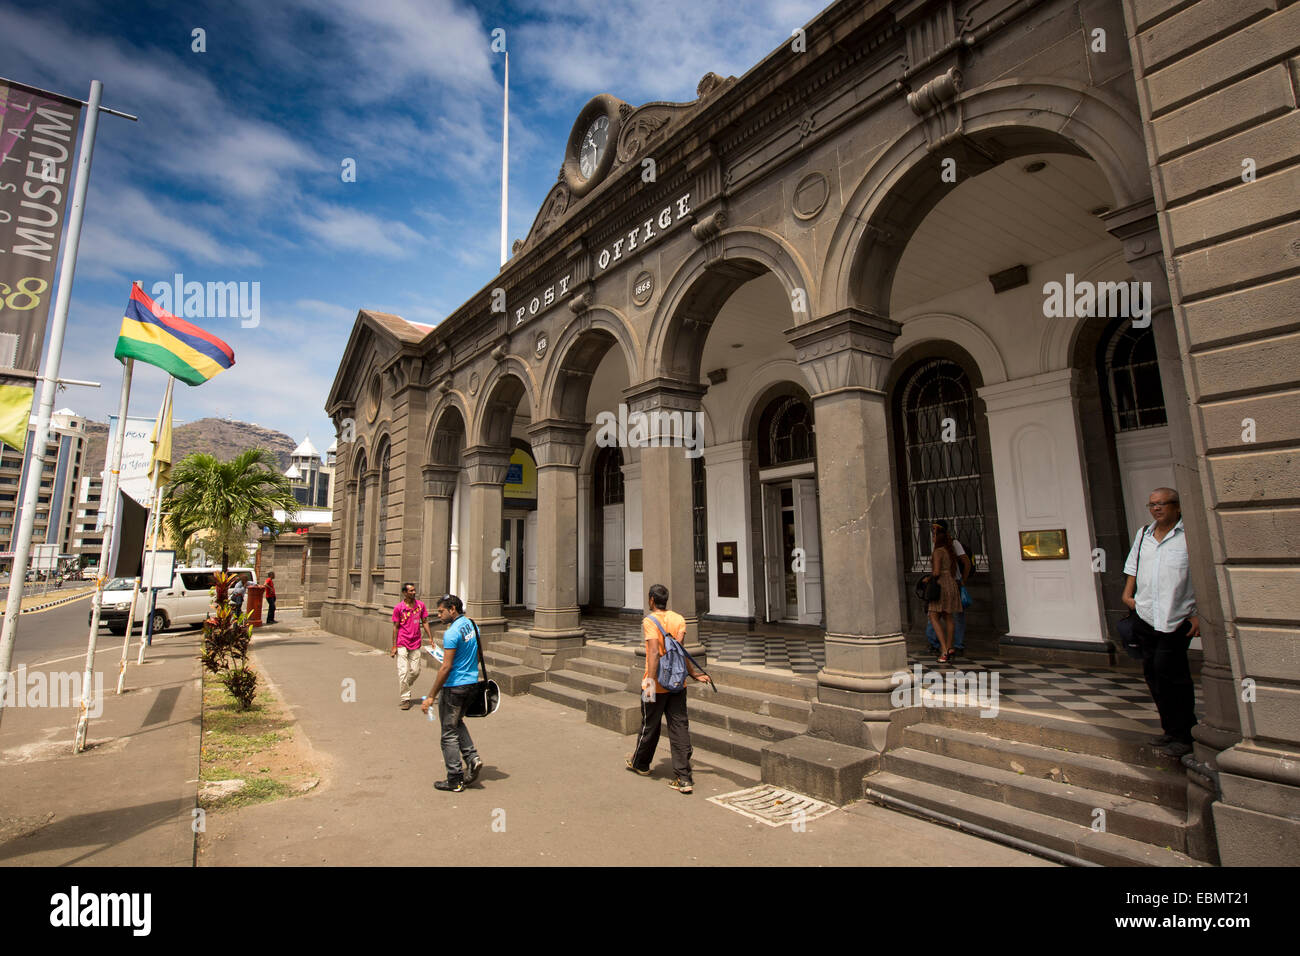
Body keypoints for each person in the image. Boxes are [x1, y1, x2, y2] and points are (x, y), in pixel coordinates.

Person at [1123, 487, 1199, 758]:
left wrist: (1198, 612)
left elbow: (1201, 574)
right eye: (1152, 504)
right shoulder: (1144, 534)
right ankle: (1169, 729)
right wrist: (1127, 594)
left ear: (1177, 507)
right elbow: (1133, 565)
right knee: (1153, 675)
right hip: (1146, 614)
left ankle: (1186, 733)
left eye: (1162, 504)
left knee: (1171, 674)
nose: (1156, 508)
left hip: (1175, 617)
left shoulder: (1189, 535)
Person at [625, 584, 713, 794]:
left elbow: (654, 653)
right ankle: (684, 777)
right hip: (676, 683)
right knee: (679, 726)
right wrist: (693, 674)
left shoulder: (649, 621)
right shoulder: (679, 619)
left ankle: (640, 763)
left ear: (651, 600)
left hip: (657, 682)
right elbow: (679, 652)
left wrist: (650, 684)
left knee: (649, 725)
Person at [419, 594, 483, 792]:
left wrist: (431, 695)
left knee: (448, 733)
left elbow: (446, 667)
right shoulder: (472, 625)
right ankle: (472, 758)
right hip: (472, 683)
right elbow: (477, 655)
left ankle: (455, 778)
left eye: (441, 611)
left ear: (452, 609)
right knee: (457, 722)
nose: (439, 615)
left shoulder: (451, 633)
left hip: (455, 687)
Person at [925, 520, 972, 654]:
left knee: (938, 615)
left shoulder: (947, 547)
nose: (933, 535)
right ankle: (945, 645)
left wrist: (963, 580)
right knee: (947, 616)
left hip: (945, 583)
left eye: (934, 532)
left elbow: (965, 562)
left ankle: (950, 646)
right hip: (951, 582)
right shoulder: (943, 547)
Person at [391, 582, 434, 710]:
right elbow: (396, 627)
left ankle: (405, 685)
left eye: (414, 590)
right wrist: (394, 646)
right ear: (404, 593)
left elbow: (425, 622)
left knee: (415, 671)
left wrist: (430, 638)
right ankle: (405, 698)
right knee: (403, 671)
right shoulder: (399, 608)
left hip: (415, 642)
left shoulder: (420, 606)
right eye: (411, 591)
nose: (414, 592)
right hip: (402, 642)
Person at [926, 526, 962, 664]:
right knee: (948, 616)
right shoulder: (949, 551)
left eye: (934, 536)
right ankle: (950, 646)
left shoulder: (938, 552)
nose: (933, 538)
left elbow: (936, 572)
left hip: (940, 585)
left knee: (933, 615)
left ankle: (944, 649)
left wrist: (927, 579)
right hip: (951, 583)